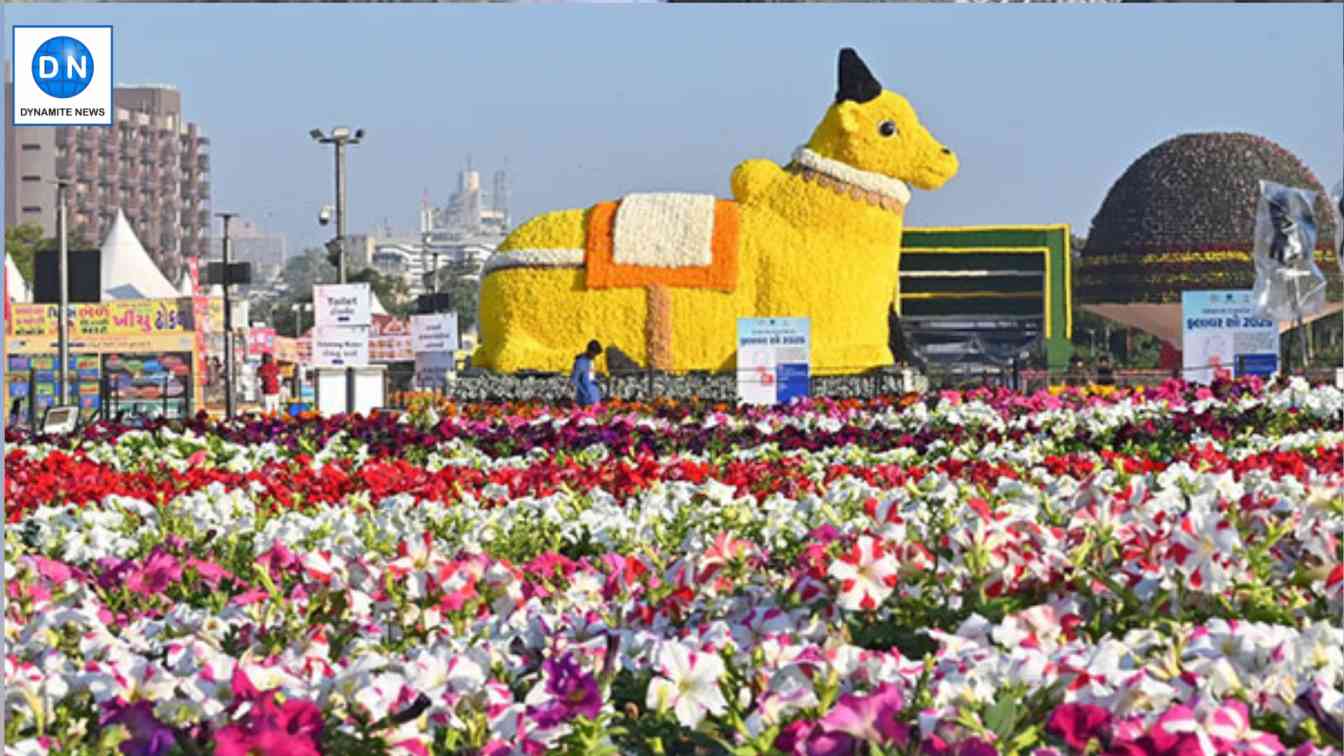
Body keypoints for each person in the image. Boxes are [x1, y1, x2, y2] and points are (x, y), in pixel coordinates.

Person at [570, 340, 603, 407]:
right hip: (586, 397)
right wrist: (584, 393)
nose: (595, 356)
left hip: (593, 394)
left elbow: (591, 376)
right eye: (594, 353)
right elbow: (574, 380)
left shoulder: (590, 361)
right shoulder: (580, 362)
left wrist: (597, 379)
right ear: (589, 350)